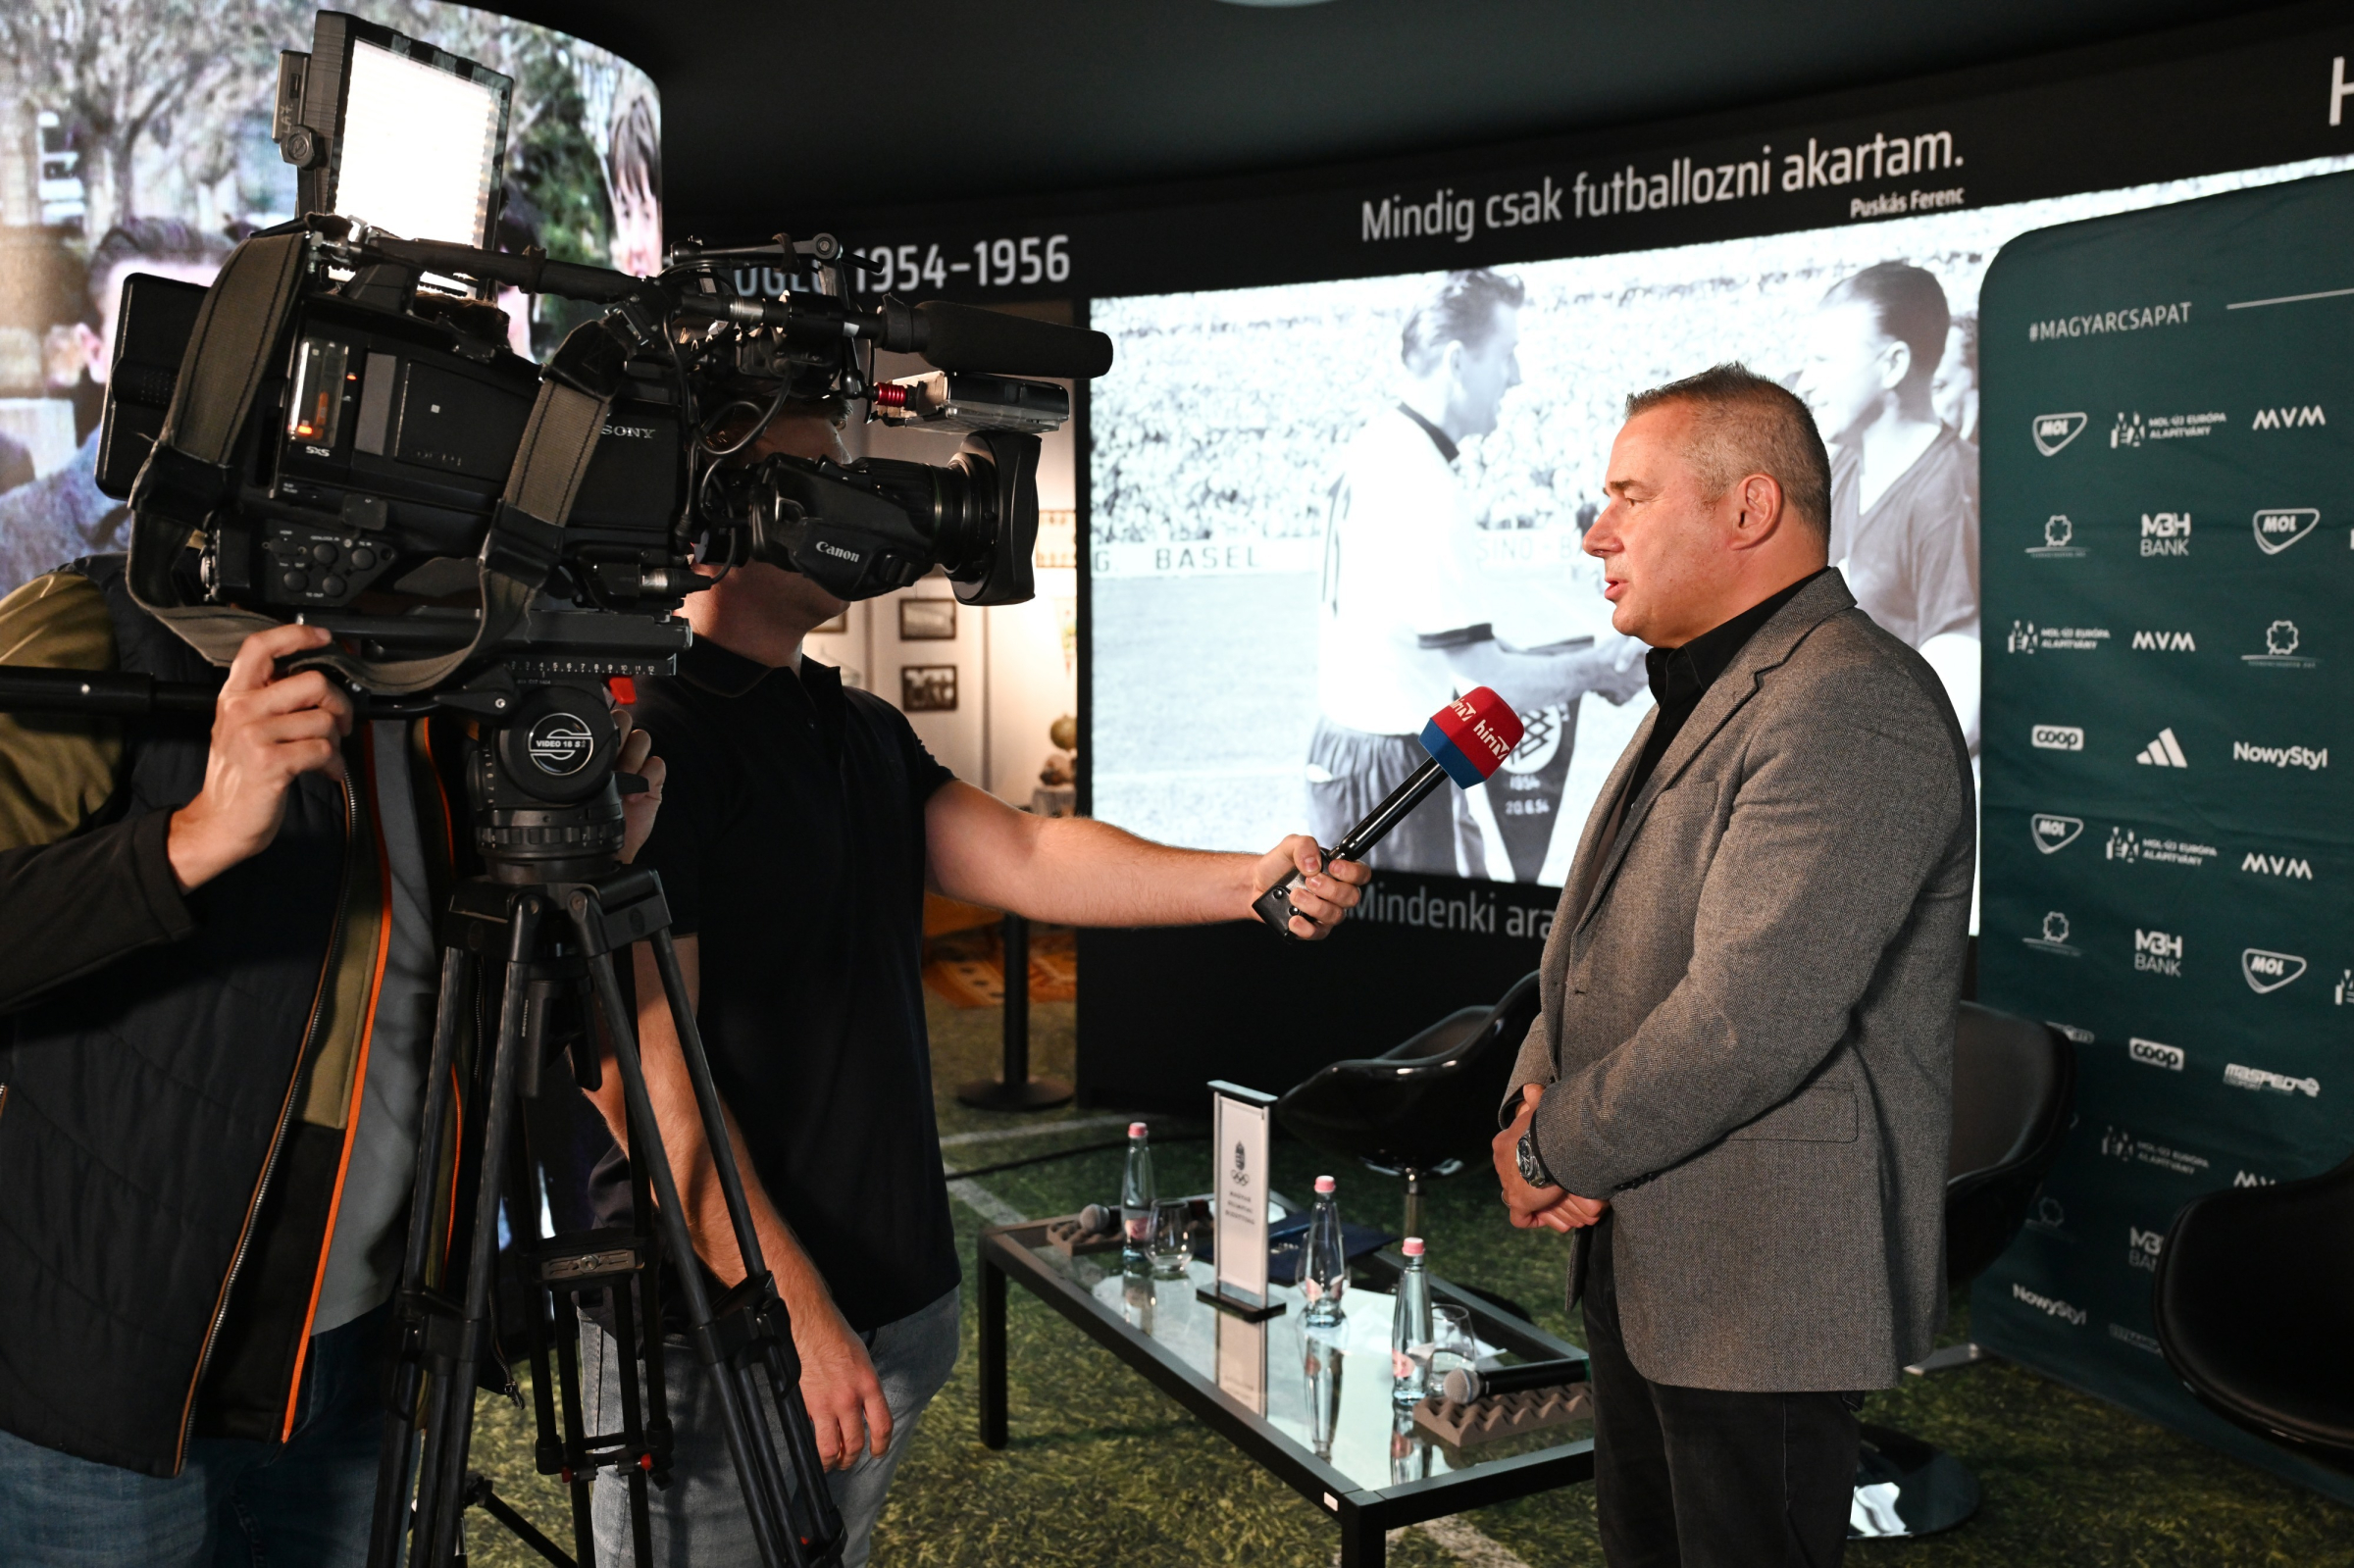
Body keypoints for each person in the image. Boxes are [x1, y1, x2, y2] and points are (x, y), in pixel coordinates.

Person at [573, 408, 1372, 1567]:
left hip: (887, 1302)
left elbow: (1030, 856)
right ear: (724, 511)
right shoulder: (655, 742)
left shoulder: (853, 723)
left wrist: (1246, 882)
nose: (861, 507)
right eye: (819, 479)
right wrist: (792, 1312)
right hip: (728, 1328)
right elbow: (642, 1082)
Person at [0, 548, 662, 1563]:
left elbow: (481, 1026)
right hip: (103, 1365)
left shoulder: (456, 684)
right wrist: (195, 835)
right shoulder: (109, 622)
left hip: (370, 1346)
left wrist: (581, 877)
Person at [1490, 365, 1972, 1567]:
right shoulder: (1707, 687)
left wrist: (1550, 1147)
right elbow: (1591, 946)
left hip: (1762, 1282)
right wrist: (1529, 1100)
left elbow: (1749, 1019)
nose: (1596, 533)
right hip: (1651, 1243)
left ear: (1749, 509)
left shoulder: (1849, 702)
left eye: (1630, 497)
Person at [1311, 267, 1643, 877]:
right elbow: (1488, 679)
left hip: (1354, 743)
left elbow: (1442, 648)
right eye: (1506, 354)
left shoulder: (1378, 444)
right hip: (1391, 758)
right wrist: (1599, 669)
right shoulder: (1423, 480)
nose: (1515, 376)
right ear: (1459, 361)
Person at [1799, 261, 1979, 752]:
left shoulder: (1953, 491)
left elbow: (1959, 702)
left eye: (1824, 360)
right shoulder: (1839, 475)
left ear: (1893, 365)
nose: (1806, 381)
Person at [0, 221, 229, 595]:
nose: (182, 367)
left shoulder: (280, 512)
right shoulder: (15, 533)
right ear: (94, 352)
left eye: (208, 336)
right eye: (151, 336)